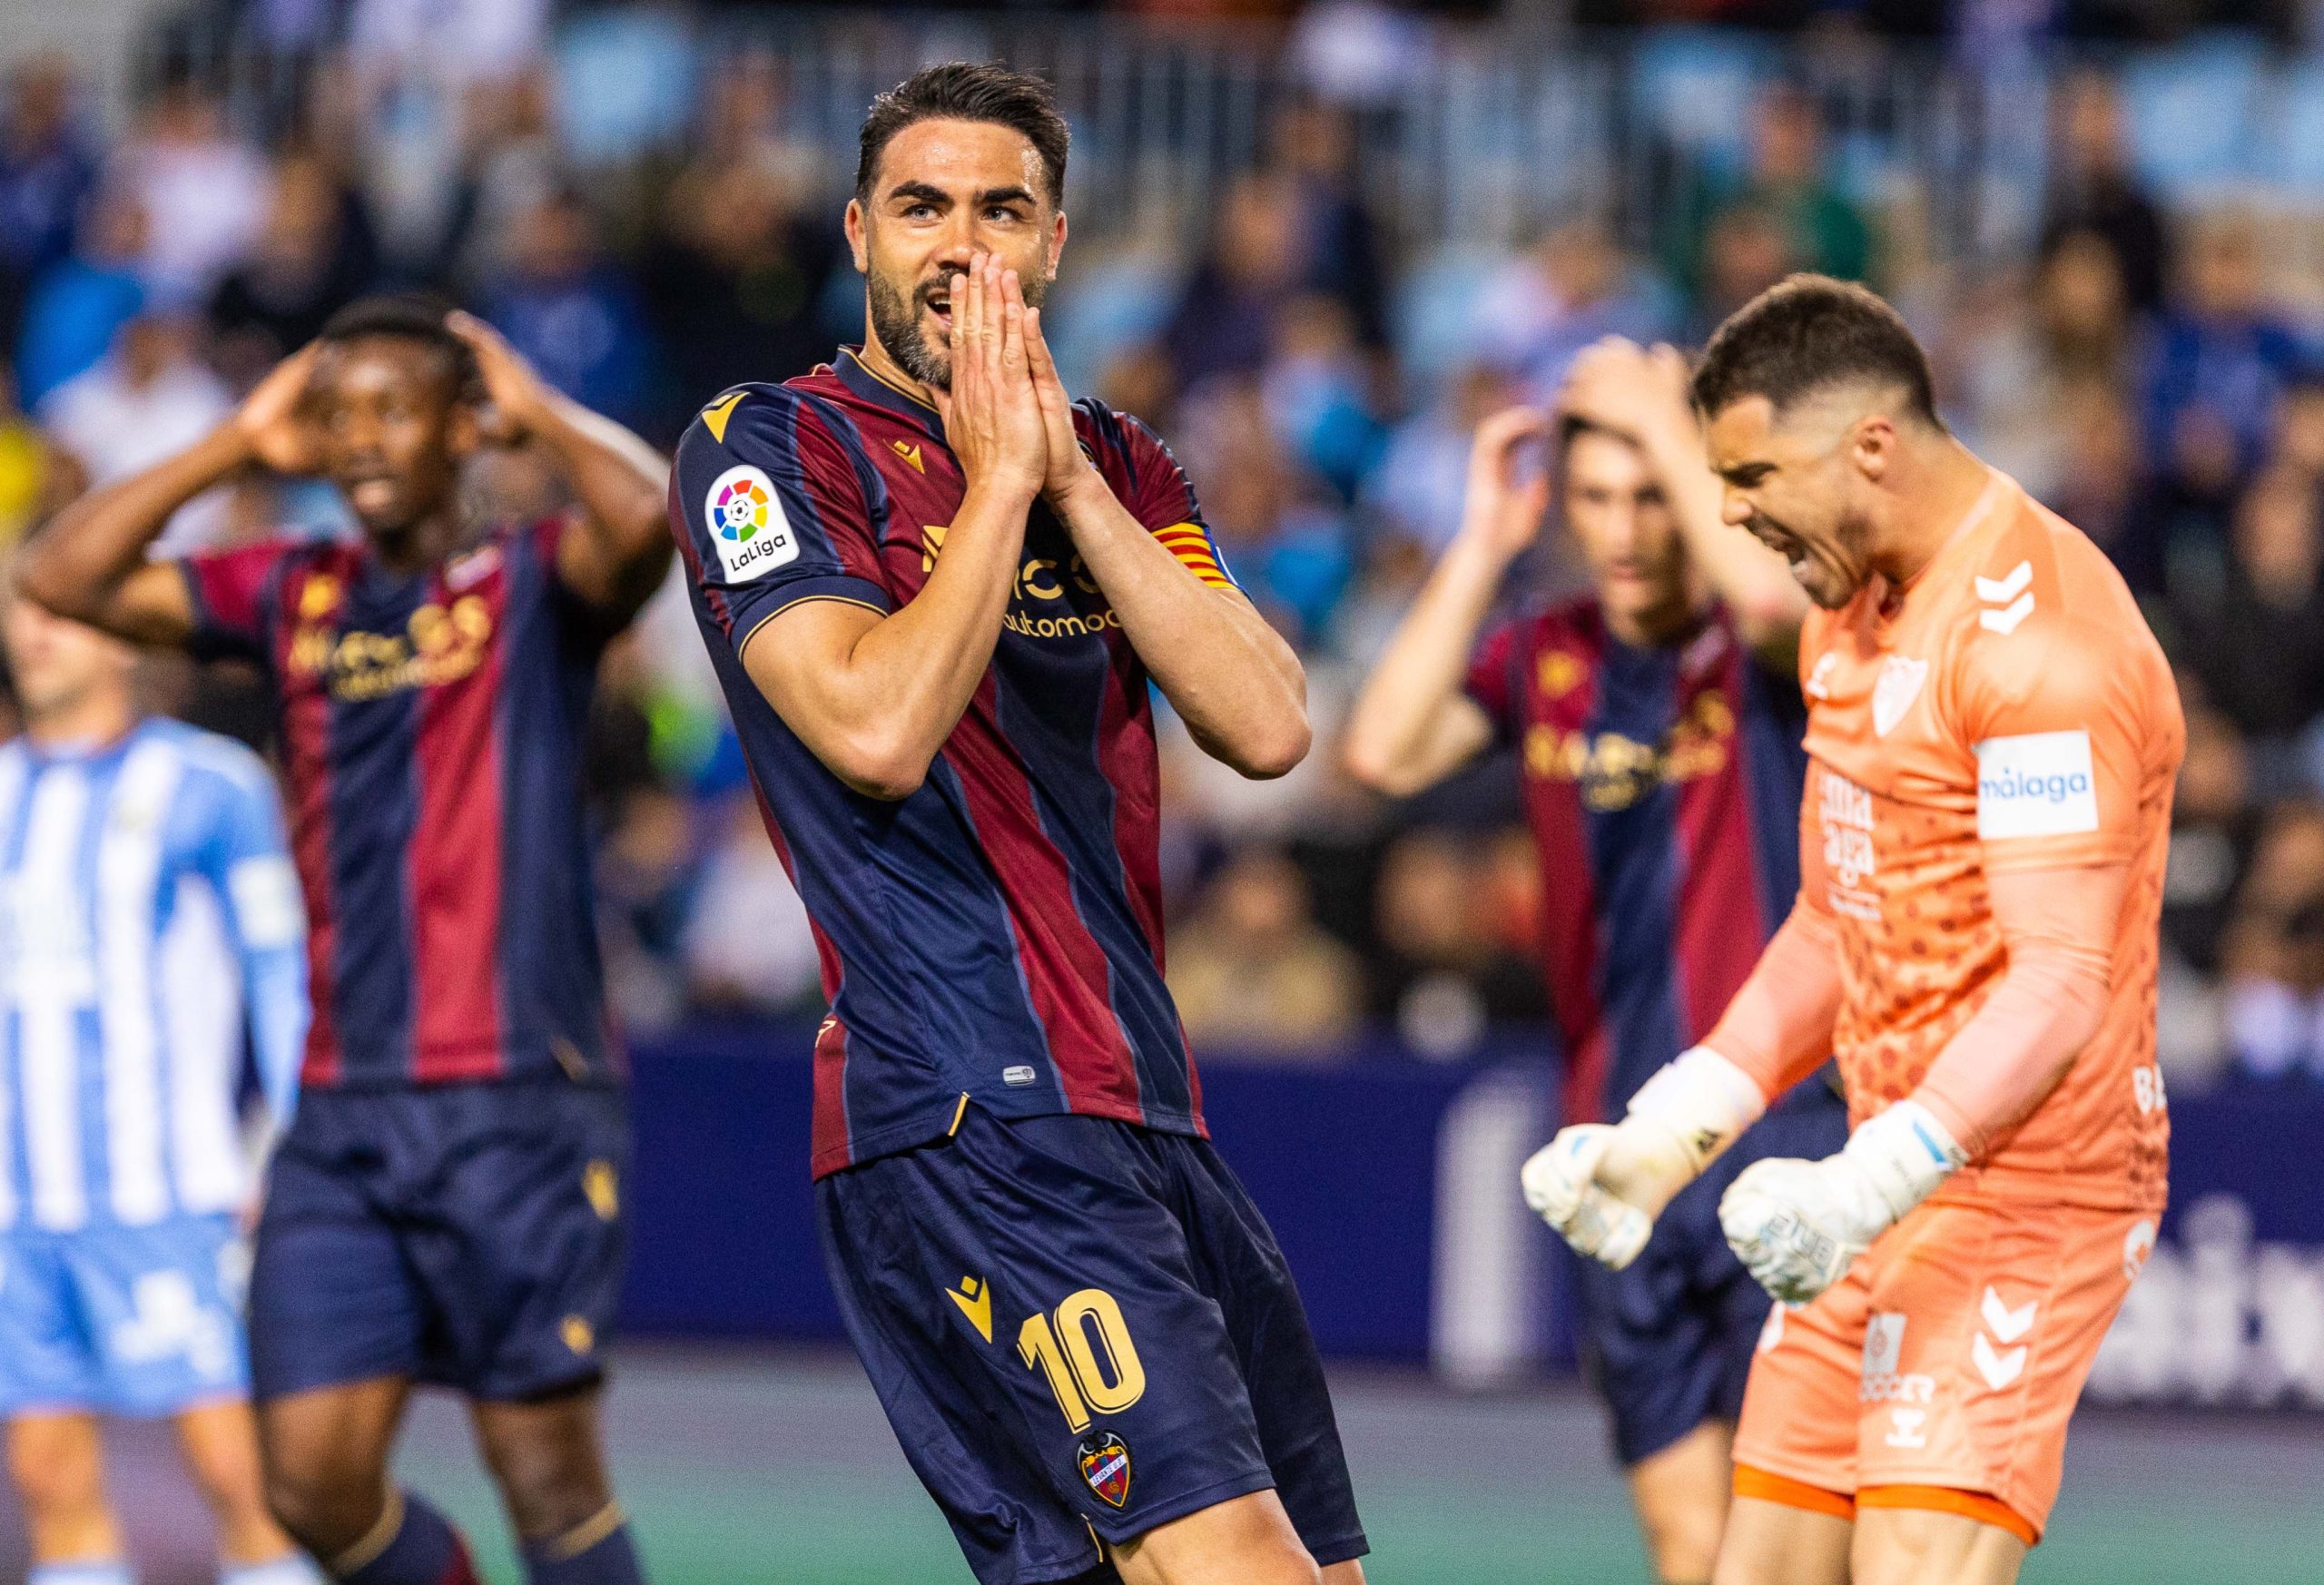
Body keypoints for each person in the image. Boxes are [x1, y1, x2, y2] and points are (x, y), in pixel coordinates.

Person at [668, 63, 1366, 1585]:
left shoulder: (1121, 462)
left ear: (1055, 246)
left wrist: (1067, 484)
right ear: (858, 231)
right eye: (923, 206)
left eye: (1004, 211)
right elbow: (871, 725)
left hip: (1147, 1104)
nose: (962, 246)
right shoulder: (765, 445)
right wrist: (998, 492)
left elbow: (1266, 722)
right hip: (974, 1111)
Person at [1523, 276, 2181, 1585]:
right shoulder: (1845, 599)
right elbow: (1839, 916)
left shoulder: (2043, 642)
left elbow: (2059, 984)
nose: (1728, 512)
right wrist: (1670, 1133)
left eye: (1753, 471)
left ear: (1871, 446)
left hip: (2021, 1189)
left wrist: (1863, 1181)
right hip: (1867, 1178)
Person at [14, 294, 673, 1585]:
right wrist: (231, 450)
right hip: (339, 1114)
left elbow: (654, 516)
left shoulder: (535, 581)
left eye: (393, 409)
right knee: (308, 1481)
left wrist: (533, 403)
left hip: (516, 1100)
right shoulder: (289, 591)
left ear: (459, 428)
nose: (362, 437)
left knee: (545, 1475)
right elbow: (61, 576)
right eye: (339, 414)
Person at [1342, 337, 1847, 1585]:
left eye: (1651, 497)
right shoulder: (1547, 654)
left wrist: (1675, 434)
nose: (1625, 533)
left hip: (1783, 1138)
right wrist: (1481, 544)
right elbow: (1382, 750)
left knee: (1799, 1552)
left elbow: (1787, 606)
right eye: (1598, 499)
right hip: (1615, 1153)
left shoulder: (1758, 647)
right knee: (1691, 1545)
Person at [0, 594, 315, 1585]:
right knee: (49, 1483)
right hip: (15, 1207)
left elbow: (282, 976)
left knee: (240, 1479)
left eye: (65, 611)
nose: (39, 632)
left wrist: (296, 1148)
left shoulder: (211, 787)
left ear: (125, 637)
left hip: (168, 1196)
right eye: (23, 611)